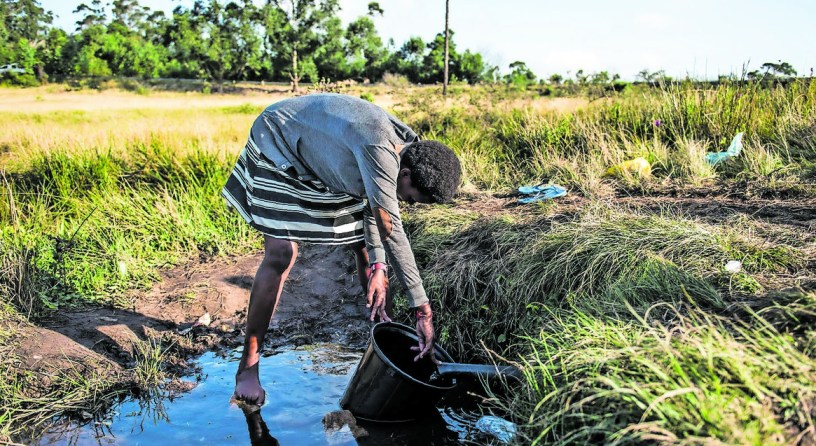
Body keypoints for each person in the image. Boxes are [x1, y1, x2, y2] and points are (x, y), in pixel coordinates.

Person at [221, 93, 462, 405]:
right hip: (279, 142)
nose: (409, 205)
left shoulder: (410, 149)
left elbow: (375, 210)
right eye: (412, 198)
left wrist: (378, 266)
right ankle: (248, 368)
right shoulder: (380, 148)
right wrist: (422, 309)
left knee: (364, 248)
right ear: (404, 176)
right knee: (282, 253)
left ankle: (379, 343)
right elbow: (390, 226)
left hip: (329, 158)